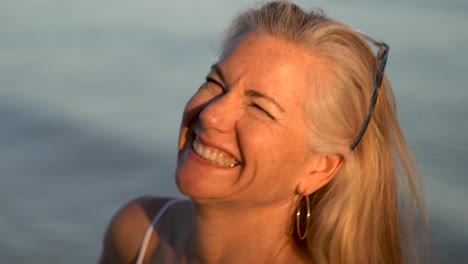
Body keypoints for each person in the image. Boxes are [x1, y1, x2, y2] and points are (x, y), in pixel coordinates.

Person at [98, 1, 431, 263]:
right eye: (216, 83)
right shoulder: (137, 233)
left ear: (319, 168)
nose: (212, 115)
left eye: (260, 108)